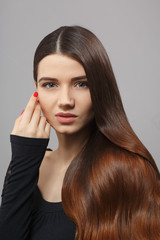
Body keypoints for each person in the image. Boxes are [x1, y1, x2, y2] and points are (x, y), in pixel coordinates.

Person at [0, 25, 160, 240]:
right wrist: (23, 158)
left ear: (101, 89)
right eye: (50, 85)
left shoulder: (128, 169)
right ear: (36, 91)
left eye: (81, 84)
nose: (65, 101)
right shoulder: (23, 166)